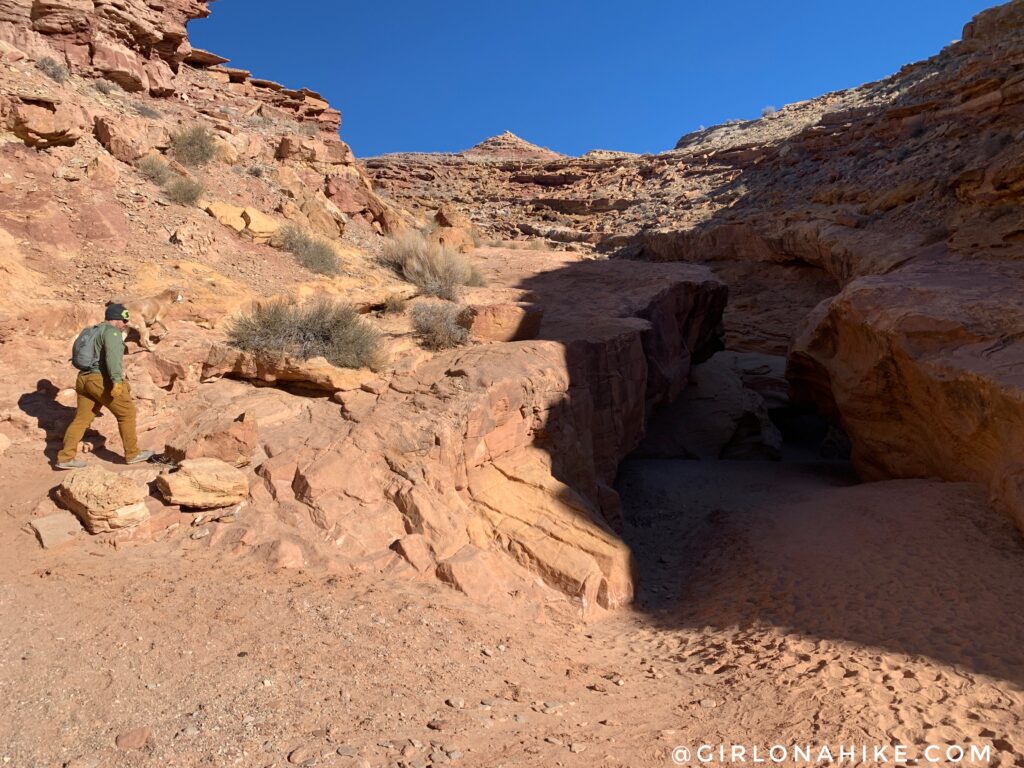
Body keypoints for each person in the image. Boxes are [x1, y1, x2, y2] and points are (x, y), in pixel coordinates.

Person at [55, 303, 154, 470]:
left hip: (83, 379)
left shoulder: (90, 330)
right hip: (100, 379)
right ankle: (132, 453)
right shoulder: (112, 332)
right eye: (123, 320)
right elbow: (113, 359)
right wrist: (116, 381)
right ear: (115, 319)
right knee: (127, 413)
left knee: (81, 419)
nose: (125, 324)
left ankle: (65, 457)